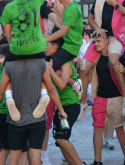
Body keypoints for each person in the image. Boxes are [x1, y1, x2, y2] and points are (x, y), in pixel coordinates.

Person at [0, 0, 67, 165]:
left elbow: (7, 32)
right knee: (42, 75)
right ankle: (42, 94)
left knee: (8, 76)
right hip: (37, 49)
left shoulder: (9, 7)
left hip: (16, 51)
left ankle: (9, 98)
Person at [78, 0, 125, 121]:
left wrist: (116, 5)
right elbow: (90, 18)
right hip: (100, 37)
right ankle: (83, 104)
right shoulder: (99, 1)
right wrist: (97, 28)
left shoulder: (123, 2)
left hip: (116, 38)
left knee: (114, 61)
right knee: (83, 66)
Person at [86, 32, 125, 165]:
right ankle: (97, 161)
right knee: (97, 129)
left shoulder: (118, 56)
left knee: (119, 129)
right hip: (100, 97)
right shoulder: (96, 57)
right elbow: (89, 78)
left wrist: (124, 70)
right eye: (95, 41)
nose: (97, 44)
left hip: (116, 97)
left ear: (107, 41)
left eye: (99, 41)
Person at [45, 36, 88, 165]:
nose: (45, 47)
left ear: (55, 47)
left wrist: (51, 70)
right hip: (61, 106)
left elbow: (62, 85)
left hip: (70, 105)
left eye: (48, 45)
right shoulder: (56, 63)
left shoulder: (66, 64)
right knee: (60, 140)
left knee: (61, 138)